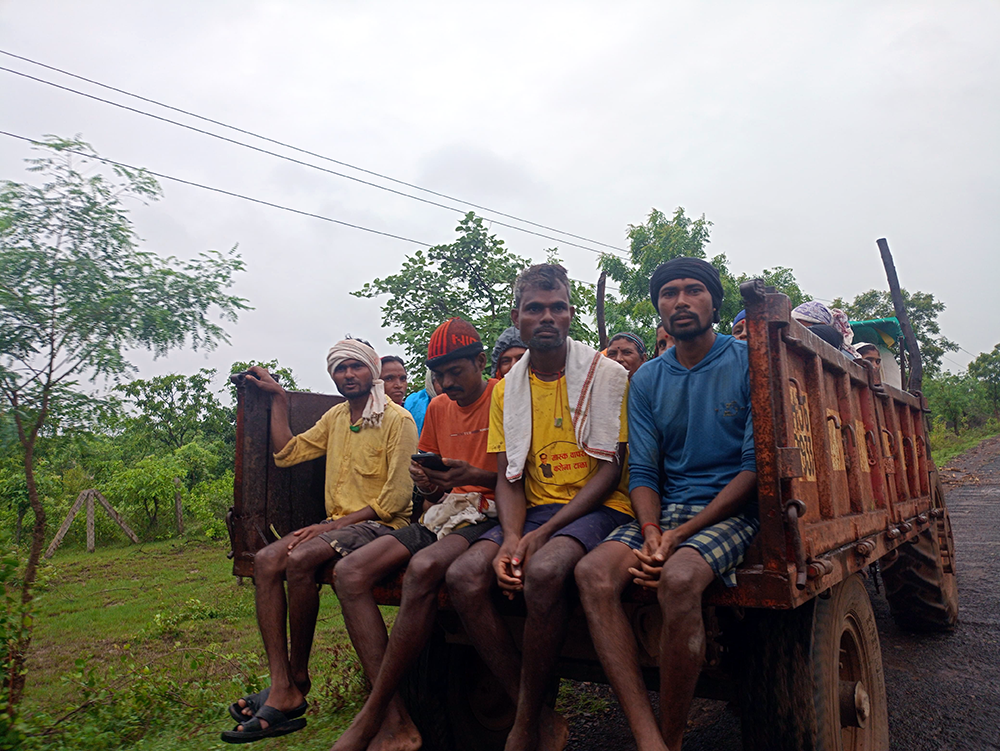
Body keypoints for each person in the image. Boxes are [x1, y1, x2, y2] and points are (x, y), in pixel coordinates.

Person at [446, 263, 632, 751]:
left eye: (557, 307)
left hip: (599, 507)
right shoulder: (507, 388)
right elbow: (510, 473)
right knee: (464, 577)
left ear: (571, 315)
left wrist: (539, 536)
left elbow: (611, 471)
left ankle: (524, 724)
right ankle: (533, 709)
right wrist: (511, 537)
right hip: (533, 510)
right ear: (518, 316)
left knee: (545, 570)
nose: (547, 317)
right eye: (535, 309)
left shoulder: (605, 374)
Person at [575, 257, 757, 751]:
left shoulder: (747, 362)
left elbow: (751, 470)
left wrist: (679, 536)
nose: (680, 301)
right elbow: (644, 470)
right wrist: (653, 528)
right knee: (592, 575)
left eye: (693, 290)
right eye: (669, 293)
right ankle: (646, 734)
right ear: (658, 306)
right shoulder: (648, 378)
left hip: (728, 511)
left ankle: (672, 738)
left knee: (678, 581)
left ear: (714, 301)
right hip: (663, 510)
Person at [223, 339, 418, 743]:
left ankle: (297, 676)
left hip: (380, 525)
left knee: (300, 558)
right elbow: (288, 453)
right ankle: (284, 682)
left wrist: (329, 527)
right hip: (338, 524)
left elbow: (395, 501)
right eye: (340, 369)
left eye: (356, 367)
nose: (348, 375)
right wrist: (278, 397)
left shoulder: (397, 420)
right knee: (266, 561)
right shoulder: (335, 417)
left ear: (371, 372)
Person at [331, 317, 500, 751]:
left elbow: (521, 477)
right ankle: (395, 718)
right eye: (439, 374)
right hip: (443, 513)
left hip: (491, 513)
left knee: (424, 568)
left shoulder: (503, 398)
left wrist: (475, 475)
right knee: (349, 574)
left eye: (455, 371)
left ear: (481, 362)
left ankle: (374, 711)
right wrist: (427, 480)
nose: (446, 382)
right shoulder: (439, 408)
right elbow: (432, 484)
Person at [403, 367, 437, 434]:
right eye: (439, 378)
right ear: (431, 383)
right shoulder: (415, 401)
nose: (446, 384)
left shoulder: (461, 402)